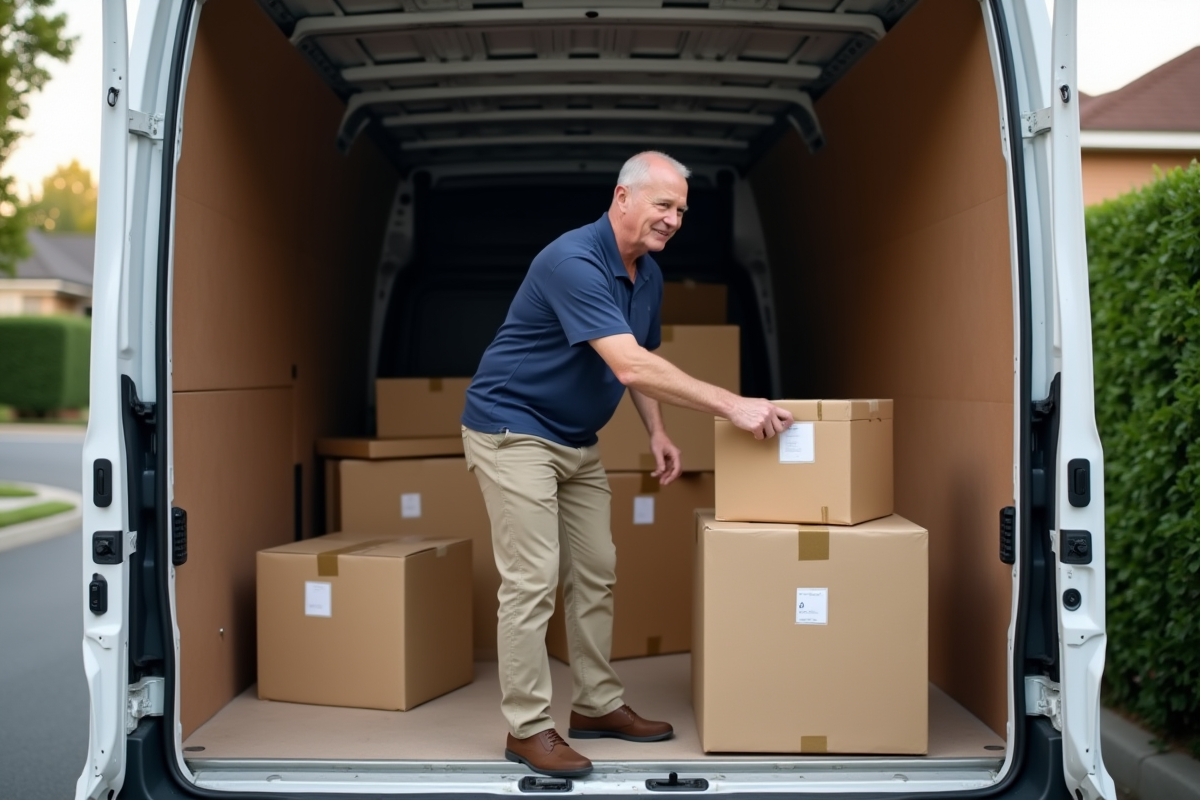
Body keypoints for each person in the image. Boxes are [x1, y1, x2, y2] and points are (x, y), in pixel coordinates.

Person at [460, 151, 793, 778]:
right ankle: (527, 728)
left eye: (682, 211)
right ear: (622, 197)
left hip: (576, 438)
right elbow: (630, 366)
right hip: (512, 429)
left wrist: (658, 431)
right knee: (533, 578)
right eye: (663, 205)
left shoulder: (648, 274)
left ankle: (596, 705)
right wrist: (733, 405)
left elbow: (639, 357)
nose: (673, 220)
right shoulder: (573, 261)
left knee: (597, 571)